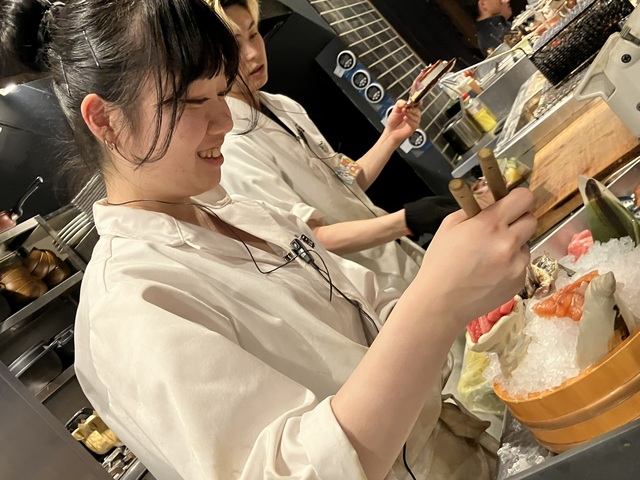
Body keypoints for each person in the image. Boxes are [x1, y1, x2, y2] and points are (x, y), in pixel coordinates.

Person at [5, 0, 537, 478]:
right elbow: (287, 470)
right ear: (105, 120)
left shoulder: (243, 215)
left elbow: (369, 311)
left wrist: (459, 285)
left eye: (220, 91)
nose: (223, 119)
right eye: (192, 100)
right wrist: (436, 305)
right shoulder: (130, 304)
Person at [204, 0, 459, 293]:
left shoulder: (285, 107)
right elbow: (309, 237)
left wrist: (391, 136)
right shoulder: (234, 146)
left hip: (399, 257)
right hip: (371, 286)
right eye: (234, 47)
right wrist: (405, 220)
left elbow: (346, 179)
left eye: (253, 34)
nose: (252, 53)